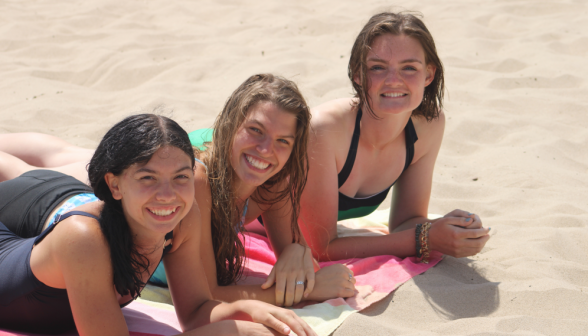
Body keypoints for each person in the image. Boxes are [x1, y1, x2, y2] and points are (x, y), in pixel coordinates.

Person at [0, 75, 355, 309]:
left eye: (282, 141)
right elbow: (208, 296)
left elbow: (296, 250)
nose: (267, 149)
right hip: (103, 190)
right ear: (232, 123)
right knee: (33, 171)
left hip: (179, 167)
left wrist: (295, 250)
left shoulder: (274, 180)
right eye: (255, 130)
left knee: (60, 154)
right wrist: (308, 289)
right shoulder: (194, 183)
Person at [0, 113, 315, 336]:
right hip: (44, 209)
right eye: (148, 177)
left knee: (21, 169)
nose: (168, 196)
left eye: (180, 177)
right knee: (14, 170)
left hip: (55, 197)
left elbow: (195, 311)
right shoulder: (84, 240)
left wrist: (246, 312)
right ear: (115, 185)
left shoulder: (185, 215)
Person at [298, 12, 491, 262]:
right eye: (378, 67)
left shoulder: (428, 126)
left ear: (429, 75)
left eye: (409, 68)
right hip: (241, 224)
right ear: (358, 74)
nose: (393, 81)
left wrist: (453, 227)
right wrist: (426, 238)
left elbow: (405, 222)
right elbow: (319, 248)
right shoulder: (324, 130)